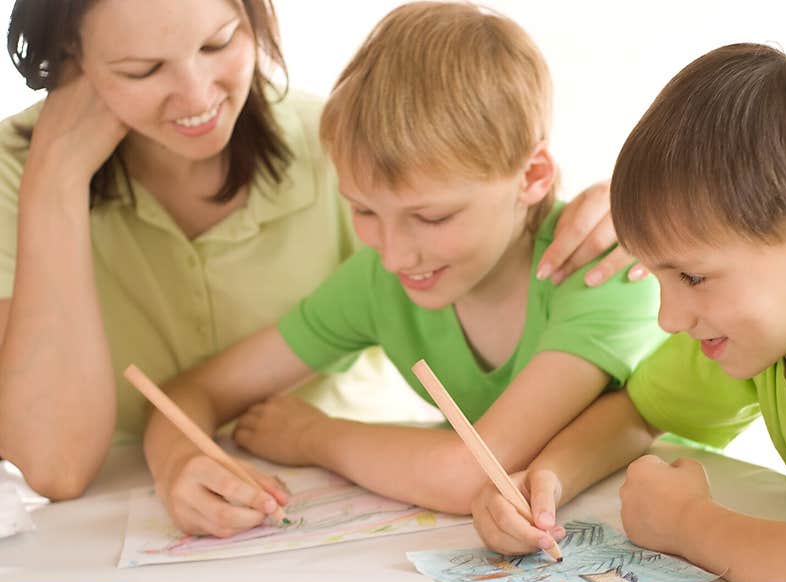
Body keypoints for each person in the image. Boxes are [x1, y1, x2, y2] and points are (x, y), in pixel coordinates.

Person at [0, 0, 637, 501]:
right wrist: (54, 178)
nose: (393, 253)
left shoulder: (347, 147)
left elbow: (502, 198)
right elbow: (65, 460)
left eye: (218, 42)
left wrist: (645, 204)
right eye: (141, 70)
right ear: (71, 61)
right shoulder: (380, 270)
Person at [144, 1, 667, 538]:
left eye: (431, 216)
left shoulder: (603, 274)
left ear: (532, 176)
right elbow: (190, 394)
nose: (394, 256)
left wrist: (313, 436)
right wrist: (179, 466)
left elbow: (467, 474)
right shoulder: (380, 279)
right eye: (364, 210)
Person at [471, 42, 786, 582]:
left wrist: (686, 521)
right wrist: (543, 482)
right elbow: (637, 414)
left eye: (692, 278)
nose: (668, 319)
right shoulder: (773, 330)